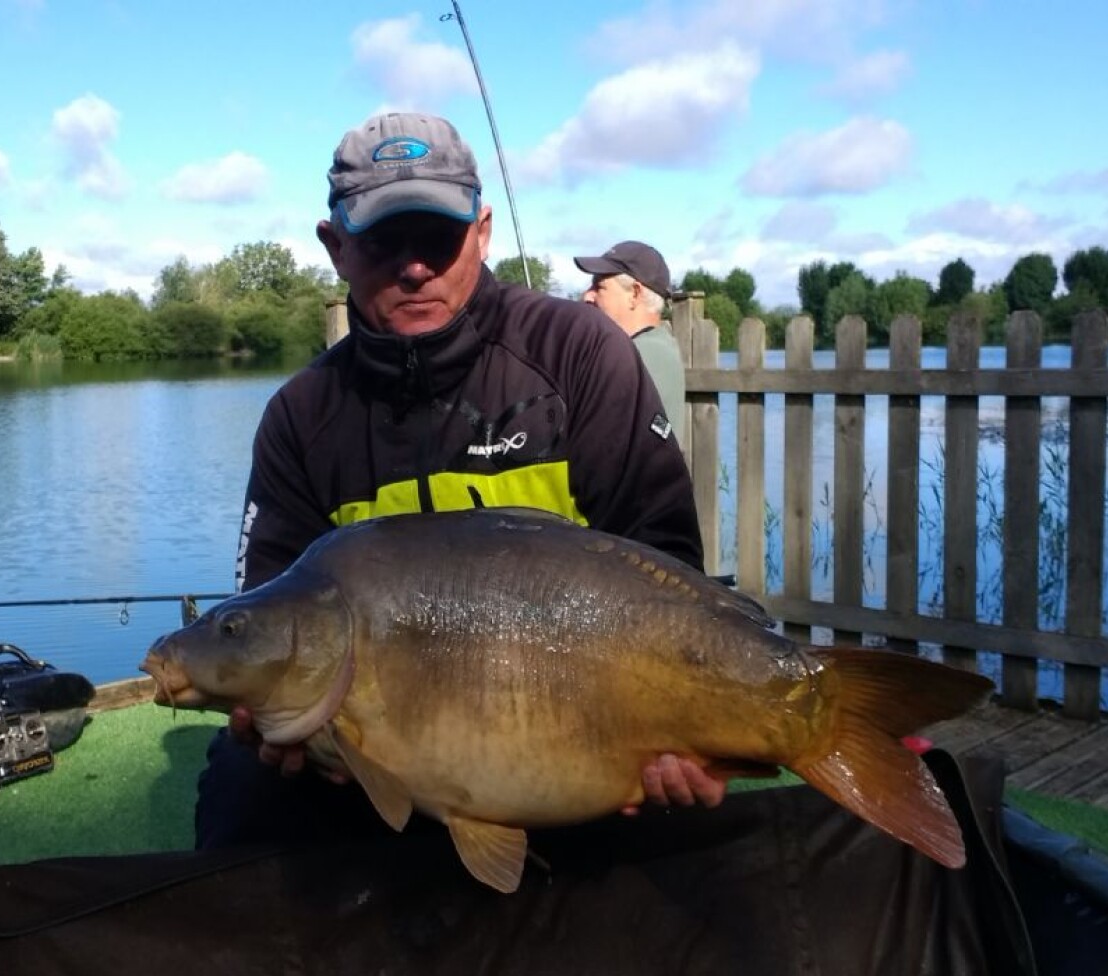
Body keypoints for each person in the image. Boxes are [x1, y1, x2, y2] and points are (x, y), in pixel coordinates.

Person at [195, 111, 726, 851]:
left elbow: (666, 559)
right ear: (336, 247)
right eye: (383, 240)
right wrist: (271, 726)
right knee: (239, 783)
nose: (414, 267)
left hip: (579, 718)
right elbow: (269, 615)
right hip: (376, 756)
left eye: (437, 237)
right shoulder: (301, 417)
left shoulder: (577, 354)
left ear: (481, 232)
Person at [576, 241, 686, 441]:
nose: (587, 296)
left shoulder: (637, 356)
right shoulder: (659, 345)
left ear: (634, 294)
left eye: (599, 287)